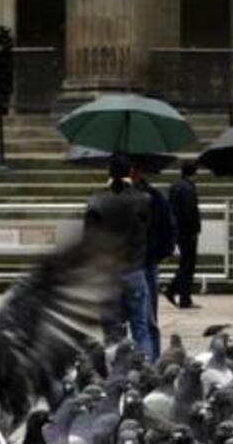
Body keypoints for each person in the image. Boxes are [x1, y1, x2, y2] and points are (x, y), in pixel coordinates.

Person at [85, 154, 154, 360]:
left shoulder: (96, 201)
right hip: (134, 267)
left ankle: (115, 367)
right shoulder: (143, 199)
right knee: (140, 328)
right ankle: (145, 368)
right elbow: (148, 229)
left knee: (111, 330)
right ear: (129, 172)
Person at [131, 158, 174, 361]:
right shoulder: (116, 196)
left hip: (144, 264)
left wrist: (155, 255)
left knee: (147, 321)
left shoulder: (154, 198)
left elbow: (168, 230)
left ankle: (152, 361)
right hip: (132, 264)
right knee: (141, 322)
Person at [166, 161, 202, 309]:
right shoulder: (188, 188)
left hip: (178, 230)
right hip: (188, 232)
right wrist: (195, 229)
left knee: (184, 263)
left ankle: (175, 291)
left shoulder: (175, 186)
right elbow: (190, 212)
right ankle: (182, 296)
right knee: (188, 264)